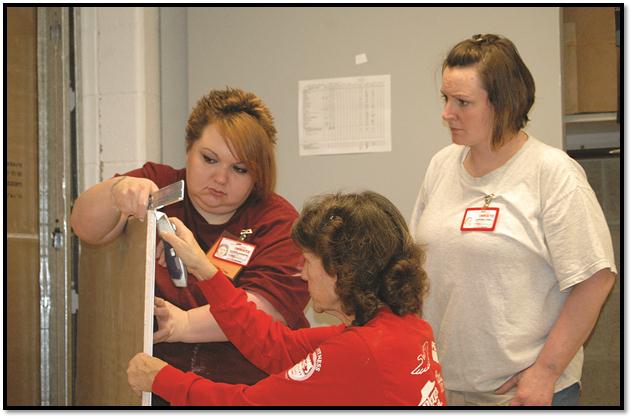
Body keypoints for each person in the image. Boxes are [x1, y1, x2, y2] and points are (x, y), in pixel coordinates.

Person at [409, 34, 617, 406]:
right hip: (447, 388)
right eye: (445, 98)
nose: (446, 113)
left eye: (463, 102)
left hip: (523, 394)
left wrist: (546, 372)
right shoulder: (441, 165)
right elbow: (418, 269)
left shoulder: (552, 172)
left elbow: (595, 278)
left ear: (503, 104)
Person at [70, 87, 310, 402]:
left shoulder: (277, 221)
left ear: (258, 175)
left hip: (245, 391)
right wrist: (118, 192)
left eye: (240, 169)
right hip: (156, 385)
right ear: (189, 149)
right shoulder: (158, 186)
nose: (221, 178)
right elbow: (84, 226)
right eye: (209, 159)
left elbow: (262, 315)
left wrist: (182, 324)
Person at [127, 191, 446, 406]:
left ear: (340, 271)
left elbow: (246, 405)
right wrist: (204, 269)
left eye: (308, 261)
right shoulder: (404, 330)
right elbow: (276, 346)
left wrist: (160, 378)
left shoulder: (360, 352)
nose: (302, 274)